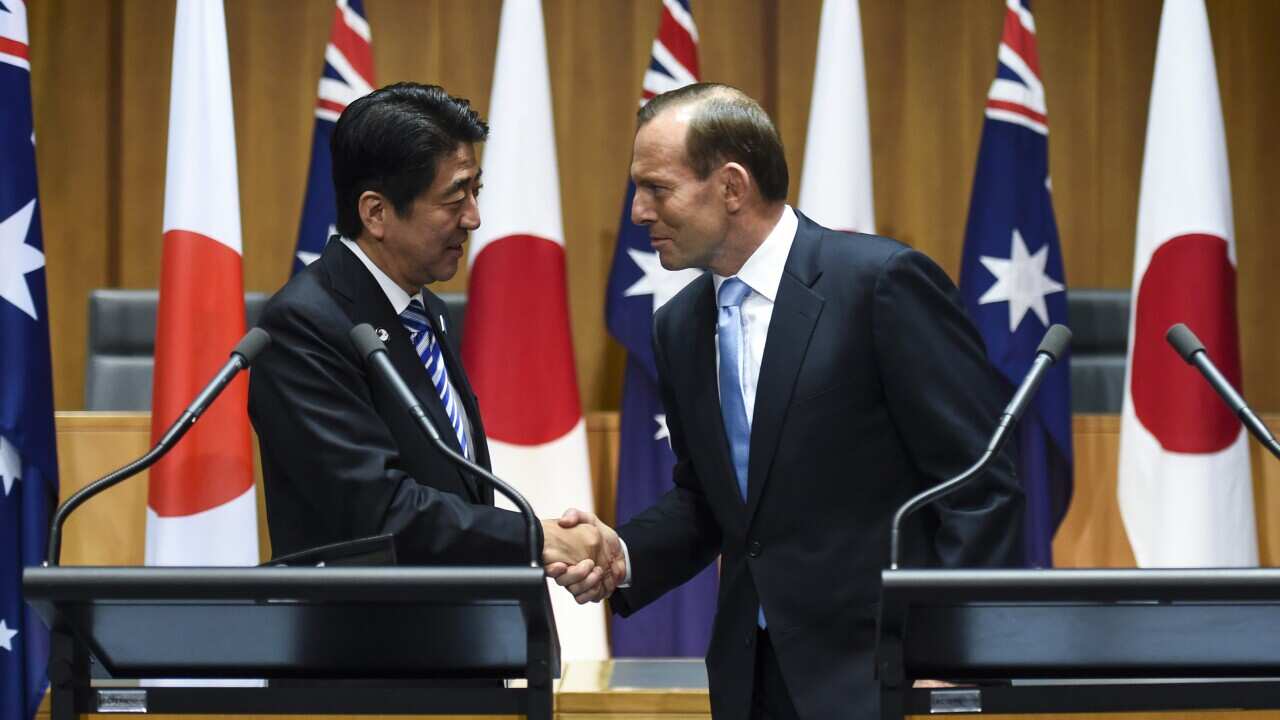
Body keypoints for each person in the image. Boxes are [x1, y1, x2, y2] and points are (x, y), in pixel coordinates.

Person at [549, 84, 1024, 720]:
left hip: (885, 671)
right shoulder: (680, 324)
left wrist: (951, 658)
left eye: (657, 188)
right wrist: (621, 554)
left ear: (732, 186)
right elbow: (711, 503)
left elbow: (979, 485)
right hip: (752, 678)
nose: (638, 211)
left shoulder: (879, 285)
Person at [249, 82, 618, 581]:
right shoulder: (304, 324)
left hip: (449, 635)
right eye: (453, 198)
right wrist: (538, 538)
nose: (474, 217)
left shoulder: (426, 311)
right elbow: (380, 511)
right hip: (359, 648)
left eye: (475, 190)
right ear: (376, 213)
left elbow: (451, 481)